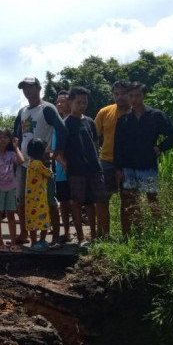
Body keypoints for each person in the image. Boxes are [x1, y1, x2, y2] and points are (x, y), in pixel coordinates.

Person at [114, 82, 173, 237]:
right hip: (128, 167)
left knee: (152, 200)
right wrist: (118, 169)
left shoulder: (155, 116)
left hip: (147, 165)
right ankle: (131, 235)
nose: (134, 99)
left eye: (137, 95)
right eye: (131, 96)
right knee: (129, 202)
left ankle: (158, 235)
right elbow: (118, 146)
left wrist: (160, 147)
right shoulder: (123, 120)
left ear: (144, 95)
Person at [13, 77, 67, 246]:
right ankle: (24, 234)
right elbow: (17, 135)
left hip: (43, 163)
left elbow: (62, 129)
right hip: (24, 164)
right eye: (24, 88)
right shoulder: (22, 111)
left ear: (38, 88)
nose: (27, 91)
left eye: (30, 87)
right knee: (22, 200)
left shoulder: (47, 109)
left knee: (49, 199)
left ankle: (56, 236)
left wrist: (55, 153)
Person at [62, 87, 108, 248]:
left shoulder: (89, 121)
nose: (82, 105)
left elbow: (95, 144)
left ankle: (97, 234)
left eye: (84, 102)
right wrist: (66, 165)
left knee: (96, 202)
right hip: (76, 170)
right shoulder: (65, 124)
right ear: (70, 102)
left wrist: (96, 159)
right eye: (78, 102)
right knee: (76, 203)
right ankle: (81, 237)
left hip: (94, 168)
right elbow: (59, 150)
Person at [94, 80, 131, 237]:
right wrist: (94, 158)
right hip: (107, 161)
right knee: (102, 199)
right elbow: (94, 136)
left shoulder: (136, 113)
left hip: (130, 164)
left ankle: (127, 236)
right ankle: (104, 235)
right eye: (116, 94)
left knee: (128, 200)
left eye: (123, 93)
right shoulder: (105, 112)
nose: (120, 97)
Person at [0, 128, 25, 253]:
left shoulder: (12, 154)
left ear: (9, 140)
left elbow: (21, 160)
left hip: (11, 187)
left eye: (5, 137)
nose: (2, 140)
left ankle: (13, 243)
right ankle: (0, 243)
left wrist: (16, 147)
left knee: (11, 215)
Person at [24, 138, 52, 251]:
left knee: (32, 220)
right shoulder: (39, 164)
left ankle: (34, 242)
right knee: (44, 219)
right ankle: (42, 241)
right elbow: (48, 173)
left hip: (30, 198)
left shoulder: (30, 163)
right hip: (40, 198)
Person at [53, 91, 72, 245]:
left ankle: (82, 234)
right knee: (64, 204)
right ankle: (66, 233)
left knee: (79, 203)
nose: (60, 104)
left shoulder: (77, 121)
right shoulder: (56, 125)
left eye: (63, 101)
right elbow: (54, 151)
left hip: (78, 170)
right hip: (61, 172)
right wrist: (65, 165)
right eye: (58, 102)